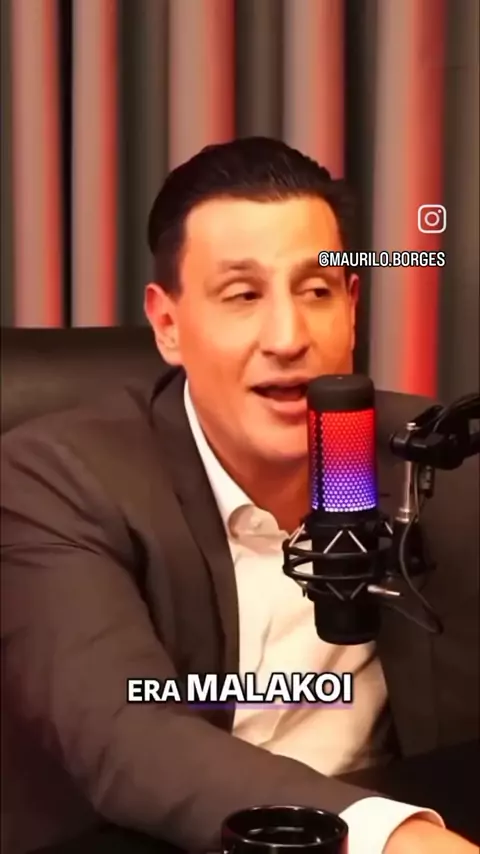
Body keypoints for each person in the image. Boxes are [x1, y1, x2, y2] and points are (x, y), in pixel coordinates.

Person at [1, 137, 478, 854]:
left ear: (352, 309)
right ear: (168, 324)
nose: (287, 337)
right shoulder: (56, 477)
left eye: (316, 291)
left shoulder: (434, 460)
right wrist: (395, 840)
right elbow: (128, 733)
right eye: (243, 295)